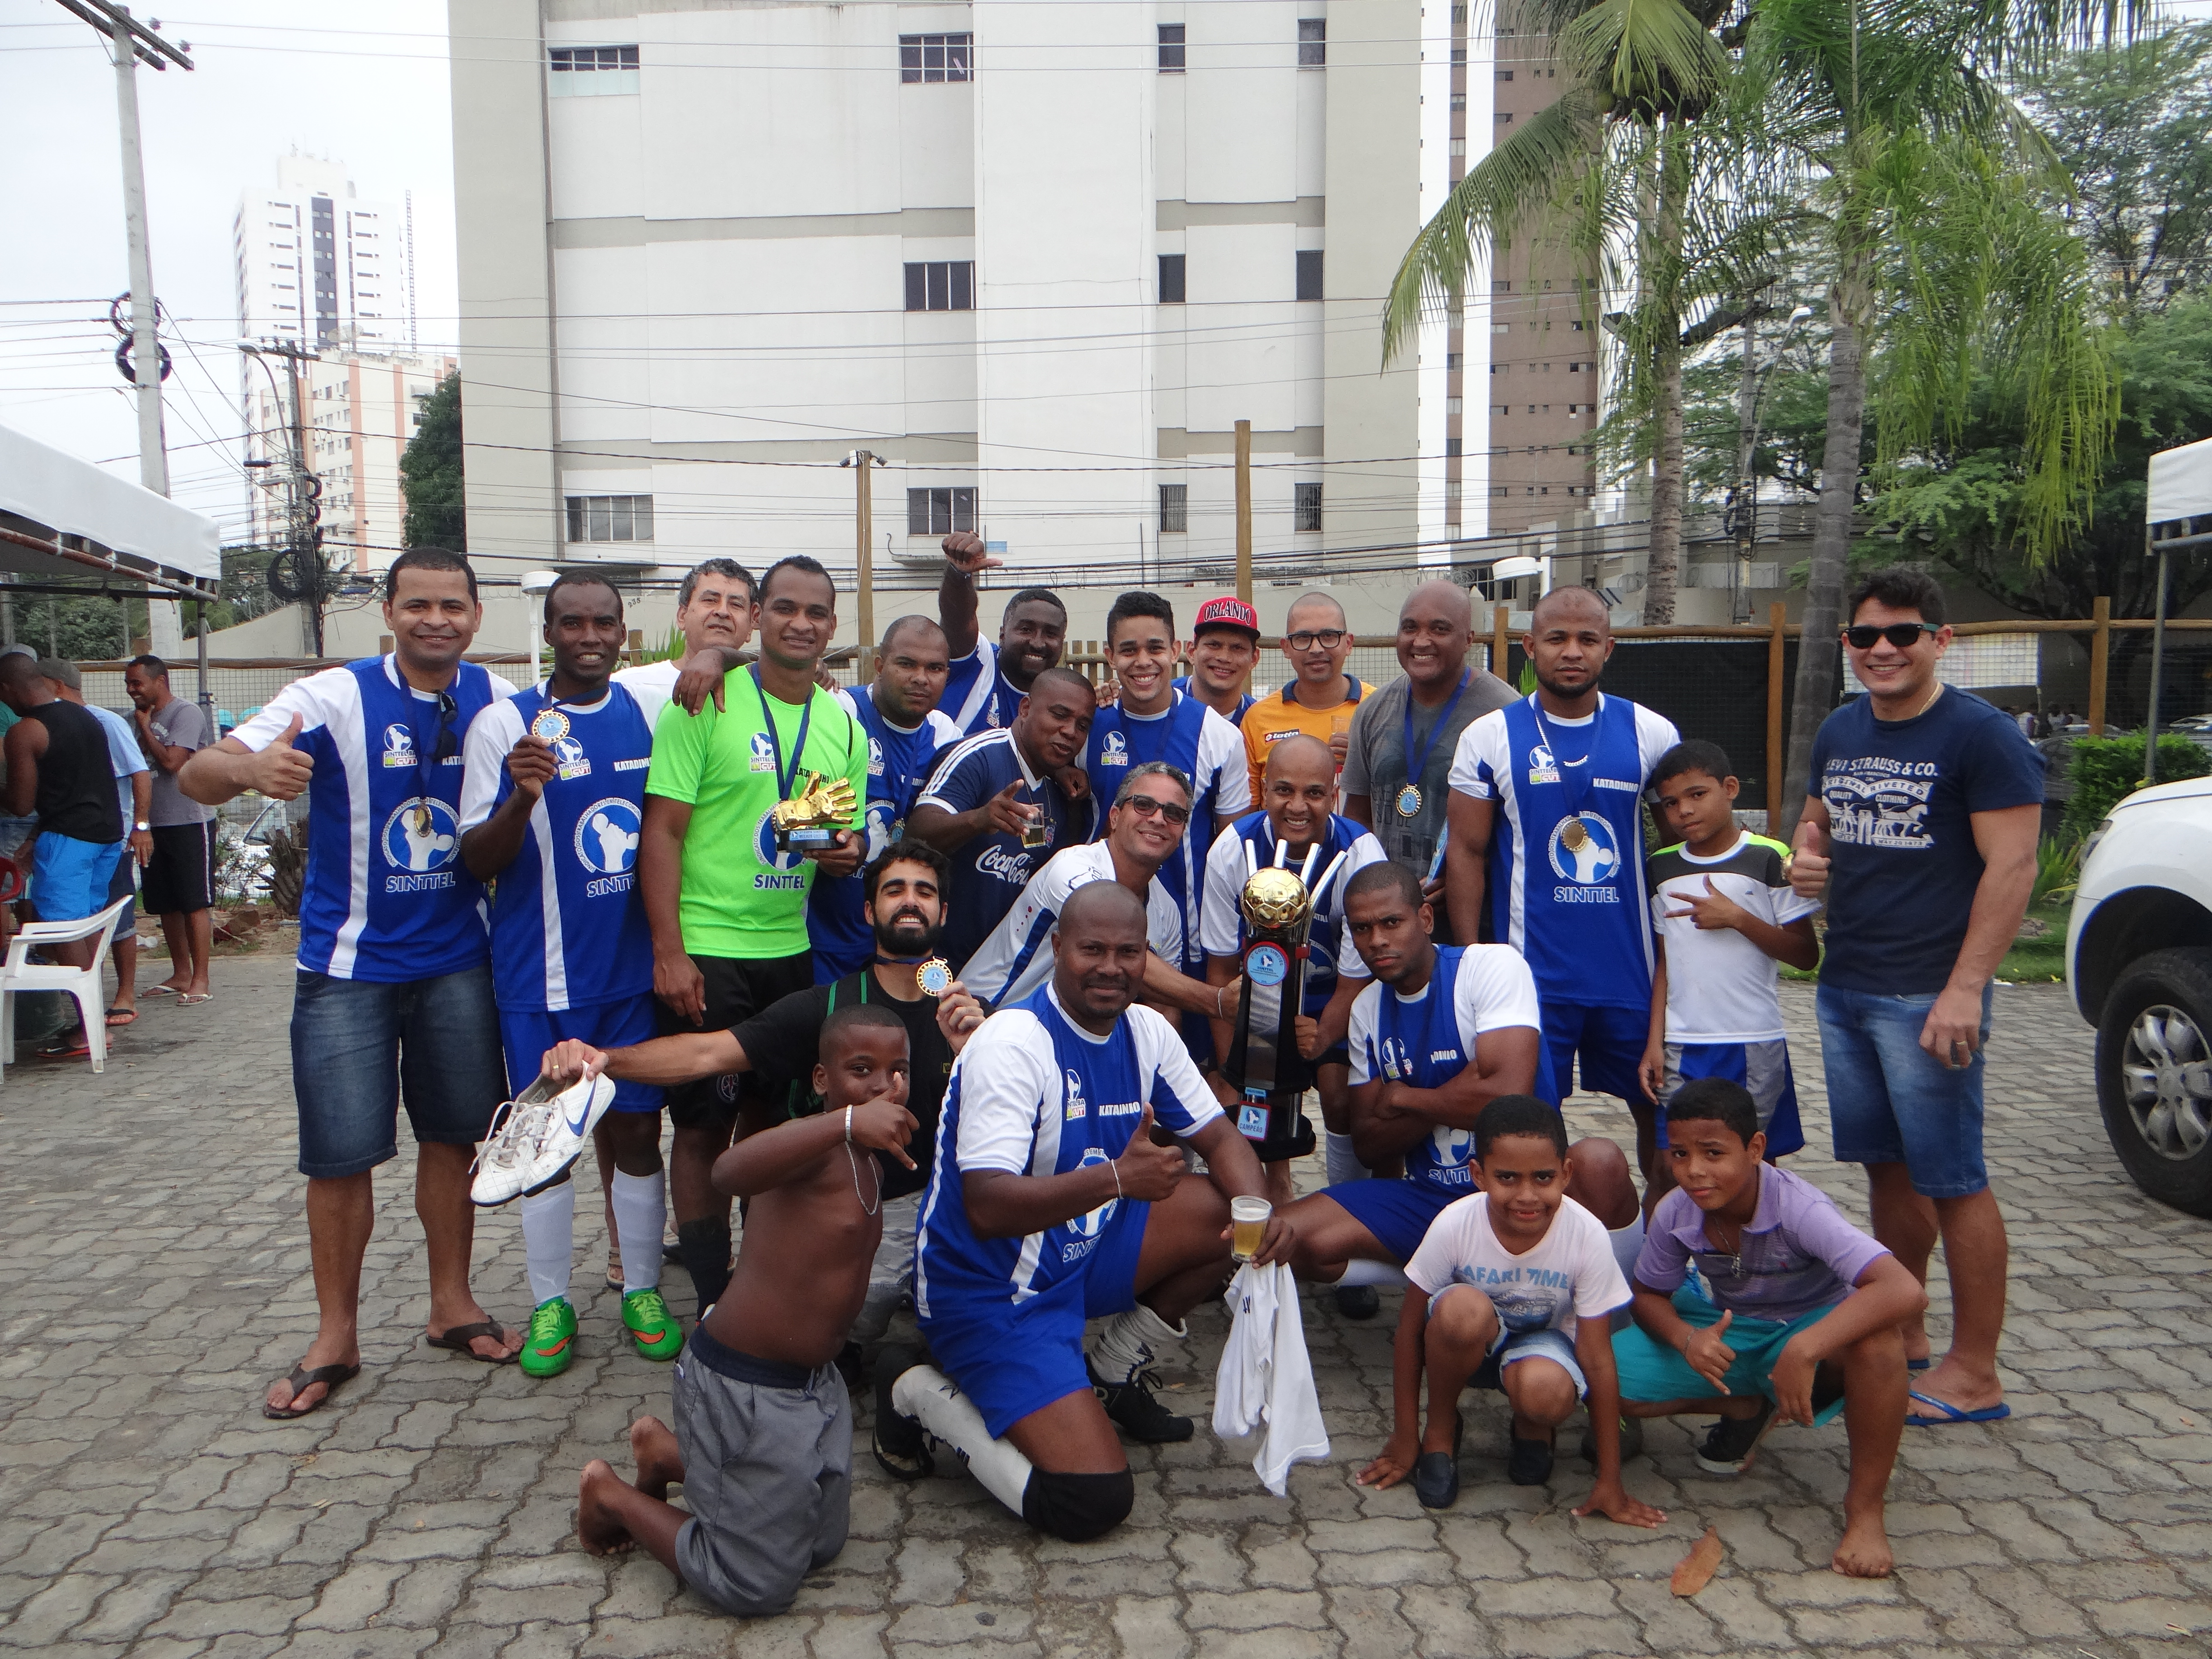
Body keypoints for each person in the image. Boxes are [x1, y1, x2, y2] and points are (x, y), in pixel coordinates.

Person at [180, 547, 523, 1414]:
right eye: (418, 605)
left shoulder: (496, 700)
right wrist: (253, 771)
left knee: (455, 1139)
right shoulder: (328, 697)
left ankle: (452, 1304)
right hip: (347, 970)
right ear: (389, 612)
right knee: (339, 1158)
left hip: (459, 964)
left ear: (477, 616)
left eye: (452, 605)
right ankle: (336, 1334)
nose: (435, 619)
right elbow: (198, 771)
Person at [877, 882, 1294, 1534]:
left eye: (1128, 952)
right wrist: (1118, 1179)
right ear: (1057, 948)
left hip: (1078, 1253)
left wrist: (1260, 1215)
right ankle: (914, 1389)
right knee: (1091, 1501)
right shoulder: (1013, 1044)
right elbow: (987, 1207)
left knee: (1225, 1212)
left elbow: (1218, 1137)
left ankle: (1112, 1368)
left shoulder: (1147, 1030)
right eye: (1091, 949)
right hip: (991, 1292)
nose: (1110, 967)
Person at [542, 841, 984, 1371]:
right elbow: (706, 1052)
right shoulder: (829, 1006)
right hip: (849, 1217)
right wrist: (602, 1060)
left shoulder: (971, 1017)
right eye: (895, 890)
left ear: (944, 913)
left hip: (939, 1217)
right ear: (869, 912)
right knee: (830, 1350)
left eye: (925, 892)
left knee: (965, 1347)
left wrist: (978, 1057)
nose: (910, 902)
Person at [1789, 567, 2041, 1428]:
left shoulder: (1981, 737)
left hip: (1928, 994)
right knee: (1886, 1169)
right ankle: (1907, 1323)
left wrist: (1966, 987)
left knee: (1954, 1179)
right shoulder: (1839, 729)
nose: (1883, 649)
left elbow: (2014, 867)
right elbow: (1815, 824)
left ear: (1941, 641)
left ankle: (1977, 1371)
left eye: (1902, 633)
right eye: (1865, 635)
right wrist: (1805, 860)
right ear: (1848, 645)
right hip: (1847, 983)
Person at [574, 1005, 918, 1615]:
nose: (882, 1086)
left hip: (814, 1385)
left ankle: (667, 1453)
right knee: (756, 1584)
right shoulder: (813, 1146)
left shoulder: (867, 1154)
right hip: (744, 1385)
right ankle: (612, 1496)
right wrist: (841, 1122)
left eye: (898, 1072)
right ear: (821, 1080)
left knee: (823, 1542)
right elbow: (730, 1170)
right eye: (861, 1069)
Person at [458, 574, 679, 1378]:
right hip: (539, 980)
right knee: (543, 1144)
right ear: (549, 632)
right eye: (572, 623)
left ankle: (642, 1288)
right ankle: (551, 1301)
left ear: (625, 632)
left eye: (604, 623)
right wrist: (520, 799)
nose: (589, 635)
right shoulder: (503, 724)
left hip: (631, 977)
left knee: (634, 1133)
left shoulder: (650, 714)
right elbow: (475, 861)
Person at [641, 554, 867, 1316]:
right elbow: (663, 832)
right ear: (760, 617)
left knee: (770, 1124)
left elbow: (849, 838)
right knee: (702, 1130)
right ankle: (712, 1298)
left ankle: (760, 1286)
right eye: (786, 608)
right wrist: (669, 951)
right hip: (708, 950)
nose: (801, 623)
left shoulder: (840, 719)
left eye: (817, 613)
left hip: (789, 952)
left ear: (832, 627)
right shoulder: (702, 701)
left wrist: (849, 852)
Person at [1275, 864, 1643, 1291]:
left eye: (1391, 922)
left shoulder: (1490, 967)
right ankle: (1444, 1279)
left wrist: (1405, 1099)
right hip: (1434, 1200)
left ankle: (1621, 1315)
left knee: (1599, 1162)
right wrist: (1464, 1087)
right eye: (1361, 929)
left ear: (1426, 919)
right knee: (1286, 1235)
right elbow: (1371, 1144)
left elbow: (1508, 1100)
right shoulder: (1367, 1010)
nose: (1377, 940)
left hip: (1526, 1195)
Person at [1614, 1078, 1924, 1578]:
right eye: (1679, 1154)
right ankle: (1746, 1405)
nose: (1694, 1171)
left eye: (1713, 1153)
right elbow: (1649, 1296)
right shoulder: (1676, 1209)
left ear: (1755, 1148)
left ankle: (1865, 1511)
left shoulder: (1800, 1208)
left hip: (1814, 1329)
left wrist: (1803, 1349)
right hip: (1737, 1332)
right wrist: (1687, 1339)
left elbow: (1903, 1290)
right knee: (1607, 1376)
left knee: (1880, 1342)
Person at [1358, 1096, 1666, 1521]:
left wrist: (1610, 1481)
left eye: (1543, 1178)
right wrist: (1406, 1434)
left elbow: (1597, 1356)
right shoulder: (1454, 1224)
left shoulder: (1586, 1234)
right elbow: (1409, 1331)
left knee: (1547, 1394)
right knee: (1460, 1309)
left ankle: (1533, 1426)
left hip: (1544, 1348)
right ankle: (1442, 1432)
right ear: (1478, 1176)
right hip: (1468, 1344)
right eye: (1507, 1178)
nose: (1527, 1196)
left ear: (1566, 1174)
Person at [1443, 586, 1680, 1135]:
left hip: (1631, 973)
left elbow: (1679, 851)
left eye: (1587, 640)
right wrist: (1476, 962)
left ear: (1609, 648)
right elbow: (1467, 851)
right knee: (1528, 1130)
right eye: (1557, 638)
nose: (1572, 651)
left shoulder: (1652, 732)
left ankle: (1662, 1226)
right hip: (1533, 977)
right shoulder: (1490, 736)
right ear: (1530, 646)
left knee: (1666, 1127)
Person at [1200, 735, 1385, 1212]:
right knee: (1257, 1092)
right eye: (1283, 790)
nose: (1298, 806)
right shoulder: (1233, 849)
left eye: (1314, 793)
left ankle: (1347, 1210)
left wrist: (1321, 1038)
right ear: (1262, 788)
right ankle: (1273, 1189)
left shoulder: (1360, 853)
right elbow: (1221, 968)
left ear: (1335, 792)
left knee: (1339, 1096)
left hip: (1337, 1000)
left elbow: (1355, 981)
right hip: (1259, 999)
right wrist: (1233, 1069)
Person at [1636, 740, 1820, 1205]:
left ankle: (1757, 1270)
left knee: (1752, 1166)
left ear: (1730, 788)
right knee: (1668, 1167)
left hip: (1752, 1041)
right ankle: (1668, 1276)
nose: (1685, 811)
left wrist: (1739, 918)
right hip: (1682, 1045)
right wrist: (1654, 1042)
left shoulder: (1769, 858)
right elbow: (1665, 964)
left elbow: (1804, 954)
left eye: (1698, 795)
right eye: (1672, 803)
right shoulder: (1661, 867)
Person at [1083, 593, 1251, 991]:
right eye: (1128, 650)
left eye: (1155, 648)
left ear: (1176, 651)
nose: (1143, 661)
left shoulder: (1220, 736)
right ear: (1110, 656)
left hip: (1189, 935)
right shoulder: (1087, 726)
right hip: (1098, 928)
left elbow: (1232, 849)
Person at [961, 762, 1211, 1014]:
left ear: (1181, 832)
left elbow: (1164, 1006)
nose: (1158, 819)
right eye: (1143, 805)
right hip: (988, 1012)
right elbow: (1113, 940)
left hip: (1059, 1036)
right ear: (1114, 817)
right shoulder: (1073, 866)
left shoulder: (1167, 910)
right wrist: (1220, 1002)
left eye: (1173, 814)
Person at [1342, 580, 1515, 922]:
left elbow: (1522, 827)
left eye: (1440, 629)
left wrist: (1464, 877)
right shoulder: (1372, 711)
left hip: (1476, 919)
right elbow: (1358, 818)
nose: (1421, 641)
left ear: (1468, 639)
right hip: (1389, 919)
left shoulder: (1505, 715)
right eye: (1410, 628)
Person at [908, 666, 1096, 968]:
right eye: (1060, 715)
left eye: (1083, 725)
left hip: (1000, 976)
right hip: (936, 963)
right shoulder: (980, 755)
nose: (1071, 732)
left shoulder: (1058, 789)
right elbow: (915, 838)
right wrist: (978, 820)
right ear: (1025, 709)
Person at [811, 616, 961, 981]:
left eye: (935, 668)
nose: (921, 678)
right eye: (907, 664)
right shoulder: (839, 712)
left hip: (902, 942)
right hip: (827, 935)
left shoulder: (943, 732)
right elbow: (807, 813)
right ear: (879, 666)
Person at [0, 653, 127, 1057]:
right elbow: (81, 784)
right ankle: (90, 1019)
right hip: (106, 835)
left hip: (69, 841)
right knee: (86, 927)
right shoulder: (85, 716)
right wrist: (36, 837)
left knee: (62, 927)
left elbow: (21, 804)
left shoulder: (24, 732)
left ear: (6, 690)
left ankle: (92, 1030)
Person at [39, 658, 152, 1044]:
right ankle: (92, 1007)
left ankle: (121, 995)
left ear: (54, 686)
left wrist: (139, 827)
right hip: (91, 834)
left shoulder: (103, 721)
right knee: (88, 919)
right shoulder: (55, 725)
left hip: (110, 835)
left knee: (114, 918)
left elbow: (140, 773)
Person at [124, 654, 216, 1003]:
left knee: (194, 901)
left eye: (137, 683)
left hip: (189, 820)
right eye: (129, 684)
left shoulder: (185, 713)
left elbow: (172, 762)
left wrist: (146, 727)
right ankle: (180, 974)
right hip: (153, 823)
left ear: (160, 681)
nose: (132, 690)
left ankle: (201, 980)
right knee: (166, 902)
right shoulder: (138, 718)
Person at [1241, 592, 1372, 804]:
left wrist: (1365, 763)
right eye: (1302, 638)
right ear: (1285, 648)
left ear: (1348, 644)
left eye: (1329, 636)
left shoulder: (1379, 709)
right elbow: (1250, 812)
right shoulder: (1258, 719)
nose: (1317, 649)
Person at [936, 531, 1068, 734]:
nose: (1038, 643)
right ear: (1003, 634)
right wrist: (959, 574)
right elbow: (958, 618)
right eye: (1026, 630)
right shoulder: (980, 663)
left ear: (1062, 641)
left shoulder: (1064, 698)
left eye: (1051, 634)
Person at [612, 558, 755, 733]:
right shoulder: (627, 688)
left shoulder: (766, 694)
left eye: (736, 605)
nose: (723, 612)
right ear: (682, 616)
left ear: (751, 627)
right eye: (710, 600)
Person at [1174, 595, 1262, 726]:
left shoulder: (1260, 722)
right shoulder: (1160, 704)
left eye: (1238, 648)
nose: (1224, 658)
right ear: (1192, 652)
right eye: (1214, 645)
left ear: (1254, 659)